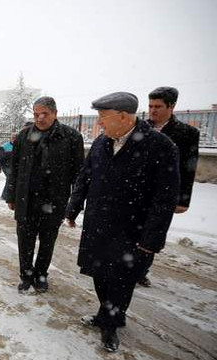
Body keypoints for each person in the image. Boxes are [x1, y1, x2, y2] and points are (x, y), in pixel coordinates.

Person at [65, 92, 180, 352]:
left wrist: (152, 239)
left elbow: (165, 199)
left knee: (121, 279)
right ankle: (107, 312)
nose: (100, 124)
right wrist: (73, 208)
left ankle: (110, 325)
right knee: (98, 274)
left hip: (131, 229)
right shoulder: (100, 143)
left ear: (124, 116)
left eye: (103, 118)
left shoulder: (160, 146)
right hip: (98, 224)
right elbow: (85, 177)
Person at [5, 96, 84, 293]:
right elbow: (14, 168)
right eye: (36, 114)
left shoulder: (71, 137)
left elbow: (78, 175)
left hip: (54, 201)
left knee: (47, 241)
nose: (39, 118)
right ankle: (26, 276)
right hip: (26, 199)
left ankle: (41, 276)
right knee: (25, 241)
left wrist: (74, 205)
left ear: (55, 114)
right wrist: (11, 196)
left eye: (44, 114)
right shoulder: (24, 136)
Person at [136, 87, 200, 287]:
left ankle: (141, 271)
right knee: (132, 230)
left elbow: (188, 168)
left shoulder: (187, 134)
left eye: (158, 106)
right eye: (150, 106)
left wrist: (183, 200)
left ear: (171, 107)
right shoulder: (139, 128)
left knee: (153, 231)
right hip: (135, 191)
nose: (153, 110)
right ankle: (126, 266)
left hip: (163, 193)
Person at [0, 134, 15, 199]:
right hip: (6, 166)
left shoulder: (19, 146)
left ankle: (11, 196)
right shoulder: (4, 146)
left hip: (14, 166)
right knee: (10, 178)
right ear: (11, 138)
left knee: (12, 180)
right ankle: (4, 196)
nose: (14, 139)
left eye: (15, 138)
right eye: (13, 137)